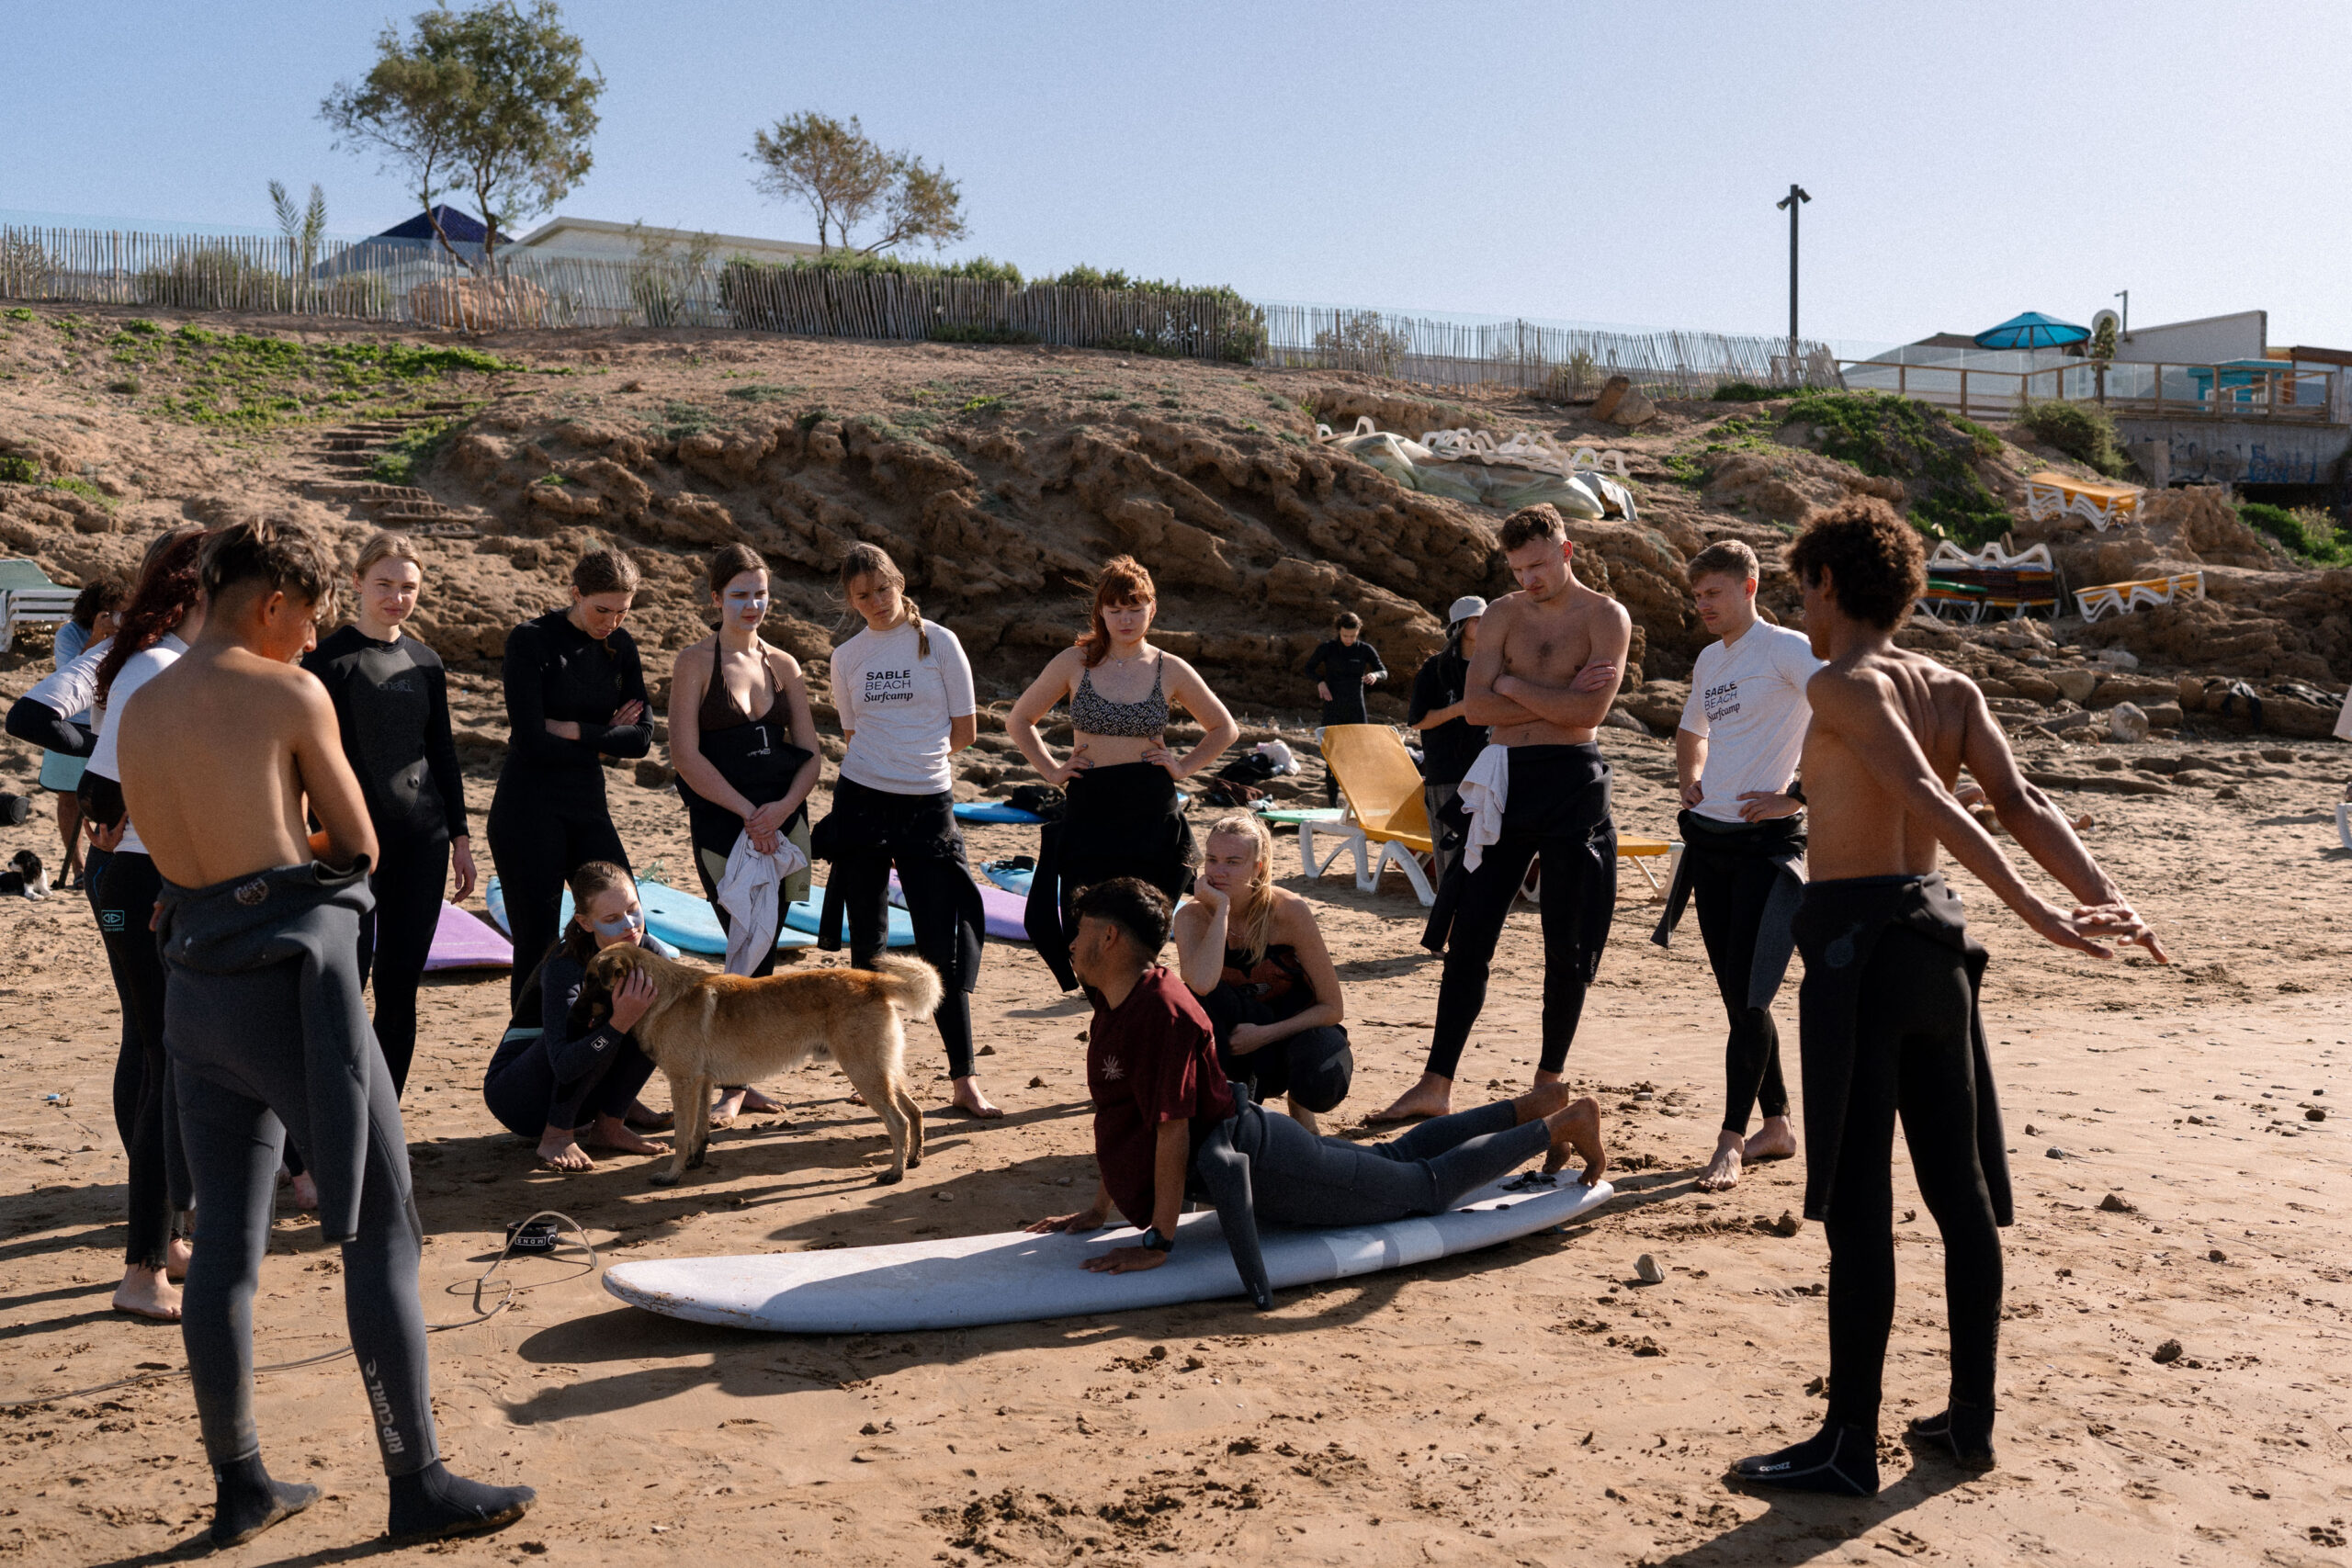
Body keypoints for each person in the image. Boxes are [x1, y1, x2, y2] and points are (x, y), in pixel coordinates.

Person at [1730, 499, 2166, 1498]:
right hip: (1936, 943)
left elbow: (1924, 796)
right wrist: (2106, 898)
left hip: (1858, 950)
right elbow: (2023, 802)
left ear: (1828, 584)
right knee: (1958, 1197)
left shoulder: (1844, 684)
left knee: (1861, 1208)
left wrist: (2043, 913)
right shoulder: (1951, 683)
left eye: (1803, 586)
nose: (1802, 605)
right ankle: (1968, 1424)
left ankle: (1847, 1446)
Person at [115, 515, 534, 1549]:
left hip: (196, 995)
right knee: (383, 1226)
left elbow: (176, 855)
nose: (312, 642)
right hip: (292, 995)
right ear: (271, 605)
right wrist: (288, 829)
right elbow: (358, 842)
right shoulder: (289, 691)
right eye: (306, 620)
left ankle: (242, 1484)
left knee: (222, 1247)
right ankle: (417, 1479)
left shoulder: (141, 699)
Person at [1027, 878, 1604, 1306]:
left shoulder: (1164, 1013)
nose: (1070, 946)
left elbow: (1173, 1130)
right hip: (1269, 1145)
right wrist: (1098, 1208)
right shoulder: (1116, 1001)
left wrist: (1159, 1242)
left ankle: (1561, 1125)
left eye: (1078, 933)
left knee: (1423, 1188)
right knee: (1395, 1157)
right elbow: (1122, 1113)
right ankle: (1526, 1108)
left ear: (1109, 938)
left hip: (1275, 1164)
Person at [1375, 505, 1629, 1122]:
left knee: (1564, 942)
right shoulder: (1502, 615)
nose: (1528, 579)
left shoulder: (1604, 616)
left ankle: (1549, 1080)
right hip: (1505, 780)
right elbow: (1477, 709)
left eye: (1538, 565)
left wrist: (1512, 688)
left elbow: (1587, 715)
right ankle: (1435, 1082)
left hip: (1571, 780)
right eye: (1517, 568)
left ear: (1566, 551)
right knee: (1472, 932)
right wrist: (1544, 699)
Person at [1647, 541, 1823, 1191]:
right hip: (1709, 844)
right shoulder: (1708, 658)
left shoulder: (1784, 648)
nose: (1704, 607)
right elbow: (1691, 730)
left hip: (1765, 849)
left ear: (1749, 586)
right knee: (1738, 998)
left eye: (1714, 594)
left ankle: (1730, 1138)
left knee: (1751, 998)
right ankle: (1776, 1125)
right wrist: (1690, 778)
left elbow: (1846, 707)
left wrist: (1798, 793)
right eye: (1697, 597)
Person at [813, 543, 999, 1118]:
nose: (874, 602)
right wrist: (885, 766)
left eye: (882, 589)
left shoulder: (938, 642)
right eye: (861, 596)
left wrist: (916, 763)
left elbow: (964, 729)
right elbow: (853, 732)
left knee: (936, 941)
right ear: (850, 600)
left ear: (899, 581)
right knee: (867, 945)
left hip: (926, 803)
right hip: (862, 800)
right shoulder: (847, 656)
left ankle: (964, 1079)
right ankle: (869, 1073)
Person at [78, 526, 210, 1323]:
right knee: (161, 1059)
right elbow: (101, 788)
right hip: (135, 877)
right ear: (196, 589)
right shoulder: (155, 666)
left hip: (152, 872)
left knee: (167, 1055)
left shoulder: (172, 662)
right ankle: (138, 1271)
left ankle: (163, 1242)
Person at [1008, 555, 1238, 990]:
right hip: (1090, 806)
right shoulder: (1075, 662)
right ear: (1101, 613)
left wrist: (1184, 766)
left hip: (1150, 809)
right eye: (1115, 610)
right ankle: (1104, 1007)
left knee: (1143, 923)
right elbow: (1019, 720)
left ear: (1152, 609)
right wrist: (1053, 770)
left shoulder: (1168, 667)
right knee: (1086, 923)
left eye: (1135, 608)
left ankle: (1139, 1006)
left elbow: (1224, 728)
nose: (1126, 619)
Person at [303, 534, 476, 1098]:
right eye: (384, 585)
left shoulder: (426, 662)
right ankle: (324, 1126)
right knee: (340, 988)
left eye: (408, 587)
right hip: (346, 849)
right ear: (356, 583)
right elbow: (300, 759)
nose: (396, 598)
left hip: (422, 844)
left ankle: (383, 1118)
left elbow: (443, 753)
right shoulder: (327, 660)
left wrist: (461, 839)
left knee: (400, 990)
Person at [666, 542, 822, 1122]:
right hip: (722, 823)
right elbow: (685, 754)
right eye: (739, 595)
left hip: (782, 825)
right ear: (716, 598)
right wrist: (746, 812)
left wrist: (780, 810)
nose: (752, 604)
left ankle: (742, 1077)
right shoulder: (694, 662)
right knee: (739, 937)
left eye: (760, 594)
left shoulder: (784, 664)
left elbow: (811, 754)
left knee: (768, 946)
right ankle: (731, 1077)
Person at [488, 547, 649, 1008]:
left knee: (623, 924)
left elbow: (639, 740)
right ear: (575, 594)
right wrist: (605, 736)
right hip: (527, 809)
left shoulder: (622, 648)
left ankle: (595, 1035)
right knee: (537, 944)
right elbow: (532, 741)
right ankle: (528, 1052)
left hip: (586, 806)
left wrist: (576, 730)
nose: (611, 622)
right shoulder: (531, 640)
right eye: (602, 609)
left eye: (622, 612)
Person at [482, 861, 668, 1170]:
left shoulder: (649, 951)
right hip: (520, 1095)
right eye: (611, 918)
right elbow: (564, 1065)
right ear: (584, 922)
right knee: (597, 1020)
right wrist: (618, 1024)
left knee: (657, 1016)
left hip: (584, 1093)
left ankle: (609, 1126)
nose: (630, 925)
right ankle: (556, 1135)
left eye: (634, 909)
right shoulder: (564, 966)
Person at [1172, 812, 1351, 1130]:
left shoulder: (1289, 912)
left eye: (1232, 861)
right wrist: (1221, 912)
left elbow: (1332, 1007)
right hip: (1232, 1032)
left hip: (1290, 1029)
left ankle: (1298, 1099)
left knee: (1320, 1079)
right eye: (1212, 859)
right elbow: (1200, 984)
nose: (1218, 871)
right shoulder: (1192, 918)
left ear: (1258, 868)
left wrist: (1265, 1035)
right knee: (1185, 1017)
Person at [40, 574, 126, 889]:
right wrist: (95, 639)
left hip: (106, 722)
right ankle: (77, 868)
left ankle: (108, 860)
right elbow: (67, 676)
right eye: (112, 611)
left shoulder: (126, 635)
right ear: (94, 611)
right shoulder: (70, 634)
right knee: (68, 796)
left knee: (110, 792)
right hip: (69, 723)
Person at [1407, 594, 1488, 889]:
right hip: (1447, 775)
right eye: (1478, 619)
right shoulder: (1434, 669)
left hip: (1487, 774)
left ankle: (1477, 922)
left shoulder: (1493, 665)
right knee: (1451, 858)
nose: (1485, 624)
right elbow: (1417, 720)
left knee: (1486, 854)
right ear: (1461, 625)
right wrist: (1459, 709)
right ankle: (1452, 924)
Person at [1304, 610, 1385, 805]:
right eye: (1344, 635)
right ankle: (1333, 802)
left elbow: (1383, 670)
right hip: (1333, 708)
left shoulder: (1365, 650)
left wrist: (1376, 676)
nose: (1348, 639)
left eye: (1352, 635)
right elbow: (1309, 668)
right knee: (1332, 758)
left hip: (1356, 708)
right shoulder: (1328, 648)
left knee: (1359, 756)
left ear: (1358, 631)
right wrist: (1320, 682)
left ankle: (1358, 802)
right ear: (1339, 631)